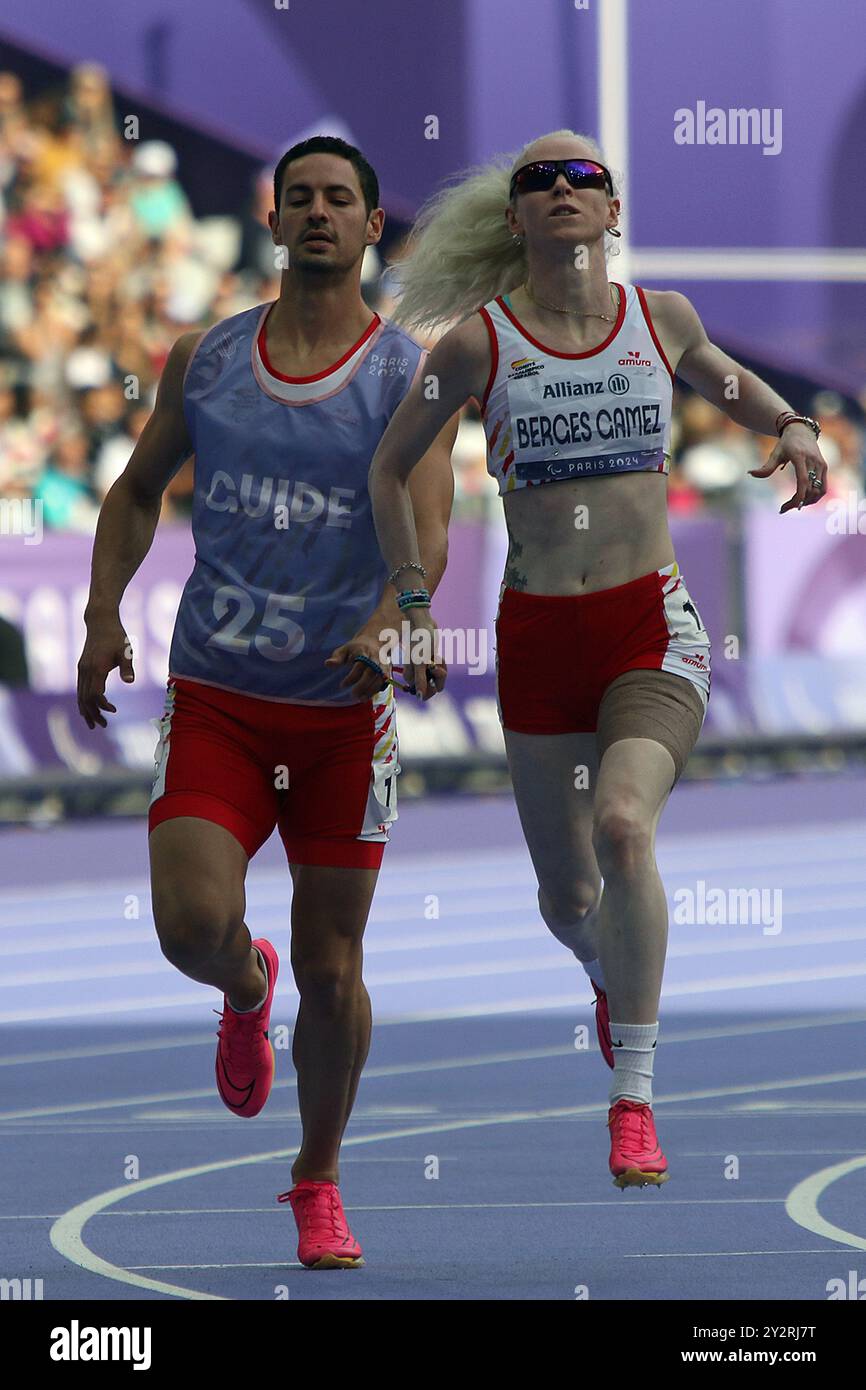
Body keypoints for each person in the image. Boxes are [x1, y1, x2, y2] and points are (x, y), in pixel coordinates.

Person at [368, 129, 827, 1189]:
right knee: (567, 894)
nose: (565, 191)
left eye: (586, 180)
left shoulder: (656, 320)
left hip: (646, 627)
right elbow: (390, 471)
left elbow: (730, 383)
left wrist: (795, 426)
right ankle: (599, 970)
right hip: (537, 635)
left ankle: (631, 1098)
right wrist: (409, 603)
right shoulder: (476, 346)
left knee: (625, 827)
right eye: (541, 180)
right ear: (515, 216)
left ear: (612, 213)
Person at [77, 136, 457, 1265]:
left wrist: (393, 621)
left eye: (341, 198)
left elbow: (429, 537)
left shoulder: (406, 378)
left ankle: (316, 1177)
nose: (319, 214)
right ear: (275, 220)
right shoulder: (210, 359)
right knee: (190, 925)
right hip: (220, 699)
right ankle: (246, 985)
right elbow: (138, 489)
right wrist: (105, 609)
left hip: (341, 710)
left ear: (371, 226)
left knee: (335, 968)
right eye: (300, 199)